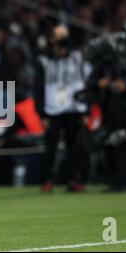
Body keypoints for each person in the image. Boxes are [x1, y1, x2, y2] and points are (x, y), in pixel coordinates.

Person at [84, 23, 126, 192]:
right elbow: (91, 81)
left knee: (125, 140)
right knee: (109, 141)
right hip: (109, 104)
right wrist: (100, 83)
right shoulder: (106, 61)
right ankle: (114, 181)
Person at [35, 24, 91, 193]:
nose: (62, 39)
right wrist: (41, 112)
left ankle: (74, 179)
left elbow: (83, 82)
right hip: (53, 107)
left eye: (64, 35)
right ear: (52, 38)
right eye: (59, 35)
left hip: (74, 107)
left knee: (74, 146)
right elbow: (38, 87)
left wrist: (85, 109)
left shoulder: (77, 57)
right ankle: (48, 180)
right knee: (50, 146)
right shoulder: (44, 59)